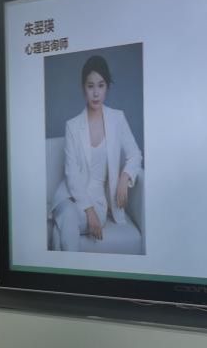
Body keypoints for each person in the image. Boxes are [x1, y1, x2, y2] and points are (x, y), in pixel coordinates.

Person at [51, 54, 143, 250]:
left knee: (61, 230)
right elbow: (71, 173)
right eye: (90, 86)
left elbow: (135, 154)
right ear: (83, 88)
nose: (95, 93)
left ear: (107, 87)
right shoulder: (72, 126)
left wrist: (124, 177)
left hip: (99, 201)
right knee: (67, 215)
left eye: (100, 86)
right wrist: (88, 210)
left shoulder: (117, 119)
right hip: (69, 196)